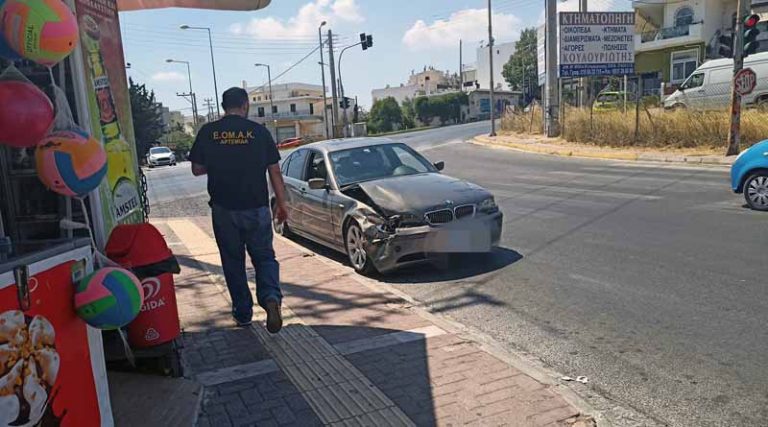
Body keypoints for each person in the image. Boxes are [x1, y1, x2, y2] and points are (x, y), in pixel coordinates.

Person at [188, 87, 288, 333]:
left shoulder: (208, 132)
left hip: (224, 209)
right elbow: (274, 171)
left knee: (233, 263)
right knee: (264, 257)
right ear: (245, 105)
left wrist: (221, 162)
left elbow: (197, 169)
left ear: (223, 106)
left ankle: (243, 314)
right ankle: (271, 298)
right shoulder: (258, 132)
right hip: (257, 208)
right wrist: (283, 205)